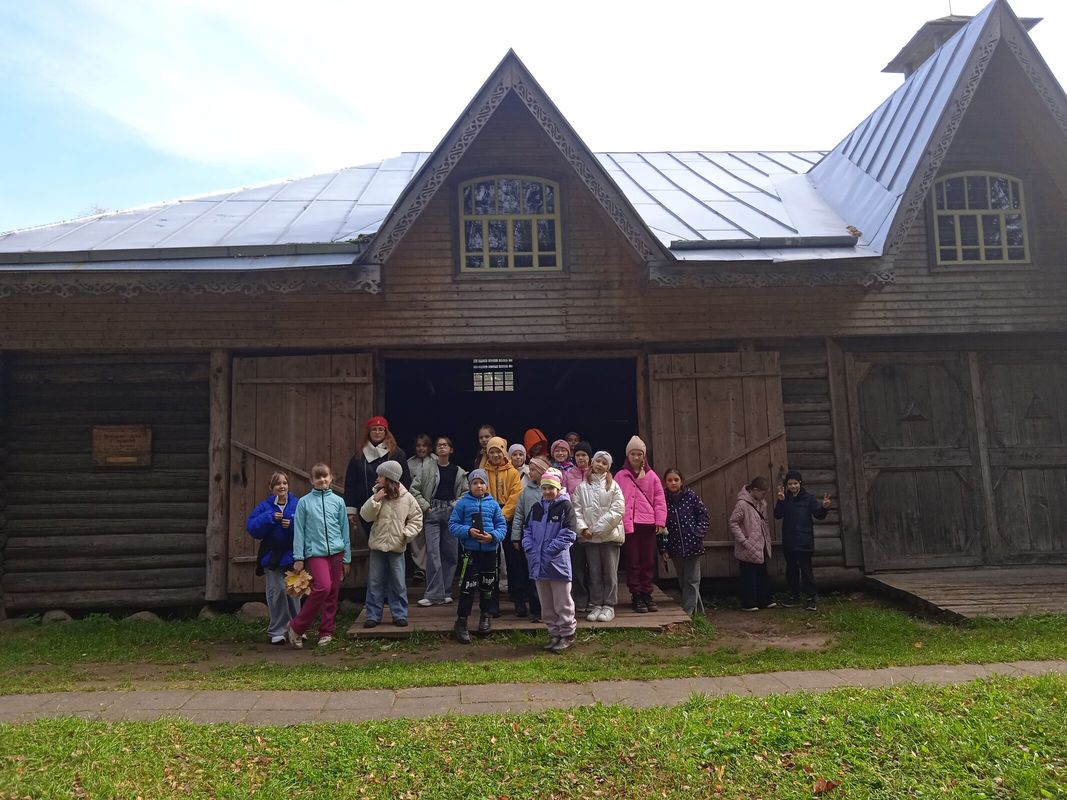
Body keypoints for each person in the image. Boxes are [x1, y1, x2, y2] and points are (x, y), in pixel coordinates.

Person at [287, 463, 351, 648]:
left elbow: (344, 530)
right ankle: (297, 627)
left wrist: (347, 558)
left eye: (325, 476)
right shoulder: (304, 503)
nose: (322, 480)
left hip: (337, 553)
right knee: (323, 587)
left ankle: (326, 632)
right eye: (318, 477)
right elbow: (299, 531)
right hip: (315, 553)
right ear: (311, 480)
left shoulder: (338, 502)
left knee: (332, 593)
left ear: (331, 478)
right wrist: (299, 558)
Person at [360, 461, 423, 628]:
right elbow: (365, 515)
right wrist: (375, 500)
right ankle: (373, 615)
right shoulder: (377, 494)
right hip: (377, 546)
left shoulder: (407, 498)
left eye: (381, 476)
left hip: (397, 547)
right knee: (375, 582)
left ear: (389, 478)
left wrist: (406, 534)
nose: (377, 478)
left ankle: (399, 614)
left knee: (398, 582)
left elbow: (417, 518)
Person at [448, 469, 508, 643]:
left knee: (487, 586)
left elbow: (502, 526)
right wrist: (468, 531)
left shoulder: (493, 504)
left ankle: (485, 615)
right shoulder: (462, 504)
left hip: (489, 552)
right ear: (470, 485)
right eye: (475, 483)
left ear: (486, 485)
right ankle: (461, 621)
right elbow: (453, 525)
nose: (479, 486)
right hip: (470, 553)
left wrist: (493, 536)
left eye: (482, 483)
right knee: (468, 587)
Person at [523, 467, 578, 652]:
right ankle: (554, 633)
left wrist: (549, 551)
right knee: (546, 604)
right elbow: (527, 530)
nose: (547, 491)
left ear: (558, 488)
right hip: (538, 563)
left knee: (562, 602)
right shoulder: (536, 508)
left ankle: (567, 634)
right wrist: (529, 548)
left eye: (551, 488)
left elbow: (569, 533)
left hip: (557, 564)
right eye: (544, 488)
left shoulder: (565, 506)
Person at [410, 436, 468, 606]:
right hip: (433, 512)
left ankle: (446, 592)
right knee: (433, 553)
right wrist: (426, 506)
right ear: (435, 450)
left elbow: (465, 493)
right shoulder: (427, 469)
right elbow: (414, 490)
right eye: (439, 445)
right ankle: (433, 594)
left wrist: (455, 506)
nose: (442, 447)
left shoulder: (458, 471)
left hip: (451, 513)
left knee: (450, 553)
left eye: (445, 445)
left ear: (451, 449)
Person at [245, 471, 301, 644]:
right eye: (277, 484)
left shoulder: (298, 504)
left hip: (293, 555)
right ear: (271, 488)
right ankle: (277, 630)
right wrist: (270, 518)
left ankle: (297, 627)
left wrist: (292, 524)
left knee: (294, 593)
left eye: (284, 483)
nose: (281, 486)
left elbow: (307, 527)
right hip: (272, 556)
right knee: (276, 591)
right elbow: (252, 528)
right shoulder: (265, 507)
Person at [572, 451, 625, 622]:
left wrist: (597, 529)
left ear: (608, 467)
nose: (600, 465)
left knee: (609, 572)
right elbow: (576, 510)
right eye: (598, 461)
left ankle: (609, 605)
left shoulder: (613, 486)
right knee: (594, 572)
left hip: (609, 537)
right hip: (590, 539)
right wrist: (583, 529)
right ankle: (596, 604)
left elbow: (618, 509)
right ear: (592, 462)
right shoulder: (581, 487)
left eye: (604, 463)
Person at [615, 436, 666, 614]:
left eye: (639, 454)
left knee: (647, 561)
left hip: (648, 524)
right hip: (630, 525)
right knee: (632, 561)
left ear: (644, 456)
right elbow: (615, 499)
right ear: (627, 456)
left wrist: (660, 521)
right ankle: (636, 594)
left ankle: (647, 593)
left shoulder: (652, 476)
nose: (636, 457)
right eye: (633, 454)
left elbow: (659, 499)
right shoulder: (620, 476)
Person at [344, 415, 412, 532]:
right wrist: (351, 510)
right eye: (374, 429)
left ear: (386, 432)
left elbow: (405, 480)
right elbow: (351, 484)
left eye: (381, 429)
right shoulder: (359, 456)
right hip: (366, 507)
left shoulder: (396, 454)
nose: (377, 432)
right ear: (369, 432)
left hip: (392, 507)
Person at [774, 470, 831, 611]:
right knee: (791, 570)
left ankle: (811, 598)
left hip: (804, 540)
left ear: (800, 483)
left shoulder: (809, 498)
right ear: (786, 485)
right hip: (789, 540)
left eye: (795, 483)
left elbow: (818, 515)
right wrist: (780, 501)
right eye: (790, 484)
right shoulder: (785, 498)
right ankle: (794, 596)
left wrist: (824, 508)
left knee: (806, 570)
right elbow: (777, 515)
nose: (793, 486)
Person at [660, 468, 710, 616]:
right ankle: (699, 613)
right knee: (683, 580)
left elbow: (703, 516)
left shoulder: (691, 497)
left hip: (693, 545)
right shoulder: (662, 500)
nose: (673, 483)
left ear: (681, 481)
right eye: (670, 480)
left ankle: (687, 613)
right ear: (665, 482)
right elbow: (660, 525)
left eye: (676, 480)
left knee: (692, 580)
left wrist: (698, 534)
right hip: (674, 546)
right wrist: (663, 548)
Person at [483, 436, 523, 614]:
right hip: (489, 516)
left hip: (508, 517)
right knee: (492, 561)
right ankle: (492, 603)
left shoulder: (513, 472)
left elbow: (515, 496)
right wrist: (493, 514)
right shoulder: (483, 472)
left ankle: (519, 600)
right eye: (491, 452)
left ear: (504, 452)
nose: (495, 455)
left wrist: (503, 515)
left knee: (514, 560)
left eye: (498, 451)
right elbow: (481, 493)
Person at [509, 456, 551, 620]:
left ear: (541, 471)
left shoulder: (551, 489)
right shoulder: (526, 491)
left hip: (548, 537)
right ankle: (536, 611)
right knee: (533, 574)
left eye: (533, 470)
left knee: (548, 574)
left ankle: (550, 609)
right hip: (531, 537)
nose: (530, 472)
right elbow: (519, 514)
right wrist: (515, 537)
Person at [731, 476, 775, 612]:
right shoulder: (742, 504)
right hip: (748, 545)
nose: (764, 496)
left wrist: (766, 538)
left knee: (762, 574)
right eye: (762, 493)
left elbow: (765, 521)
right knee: (748, 576)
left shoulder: (762, 503)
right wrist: (744, 540)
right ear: (754, 490)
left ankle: (764, 600)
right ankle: (749, 603)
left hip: (761, 544)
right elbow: (733, 523)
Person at [563, 440, 593, 612]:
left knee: (593, 565)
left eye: (584, 455)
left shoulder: (595, 474)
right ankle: (581, 598)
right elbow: (564, 499)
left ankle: (594, 598)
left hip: (593, 526)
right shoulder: (568, 476)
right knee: (577, 564)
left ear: (589, 457)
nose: (581, 458)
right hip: (575, 526)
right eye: (578, 455)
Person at [405, 434, 436, 583]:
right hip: (415, 504)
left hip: (434, 504)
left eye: (424, 445)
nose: (421, 448)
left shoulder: (436, 461)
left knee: (434, 536)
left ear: (429, 447)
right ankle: (420, 568)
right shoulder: (409, 463)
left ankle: (435, 567)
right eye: (418, 446)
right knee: (417, 537)